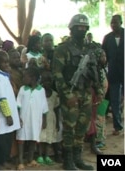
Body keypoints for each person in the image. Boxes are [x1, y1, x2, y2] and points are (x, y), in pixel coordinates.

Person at [52, 14, 103, 170]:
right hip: (71, 93)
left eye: (84, 27)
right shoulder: (62, 49)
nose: (81, 30)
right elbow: (57, 74)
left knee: (82, 127)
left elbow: (94, 70)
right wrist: (68, 95)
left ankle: (77, 158)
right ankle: (68, 161)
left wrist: (99, 89)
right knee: (69, 127)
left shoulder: (89, 49)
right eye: (78, 27)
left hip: (86, 93)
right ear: (71, 29)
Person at [16, 67, 48, 170]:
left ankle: (30, 159)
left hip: (36, 120)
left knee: (33, 139)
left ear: (33, 78)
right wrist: (18, 118)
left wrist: (45, 120)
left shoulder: (41, 90)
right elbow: (18, 105)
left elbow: (44, 107)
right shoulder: (22, 89)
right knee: (21, 139)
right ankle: (20, 161)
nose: (23, 78)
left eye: (25, 76)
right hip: (23, 119)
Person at [0, 50, 21, 169]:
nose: (6, 65)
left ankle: (5, 160)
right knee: (2, 141)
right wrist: (8, 115)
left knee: (8, 139)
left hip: (10, 114)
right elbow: (1, 98)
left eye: (7, 62)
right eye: (3, 62)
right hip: (4, 116)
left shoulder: (4, 75)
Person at [102, 14, 124, 135]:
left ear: (121, 22)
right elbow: (103, 55)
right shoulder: (107, 38)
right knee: (114, 100)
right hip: (113, 74)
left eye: (115, 22)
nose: (113, 25)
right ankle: (117, 126)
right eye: (112, 23)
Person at [37, 69, 62, 165]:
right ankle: (40, 155)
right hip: (41, 118)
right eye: (45, 80)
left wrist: (57, 123)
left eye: (50, 80)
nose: (47, 83)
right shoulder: (39, 92)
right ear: (41, 81)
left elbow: (56, 108)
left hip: (51, 118)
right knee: (41, 137)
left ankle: (46, 156)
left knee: (49, 138)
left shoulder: (55, 94)